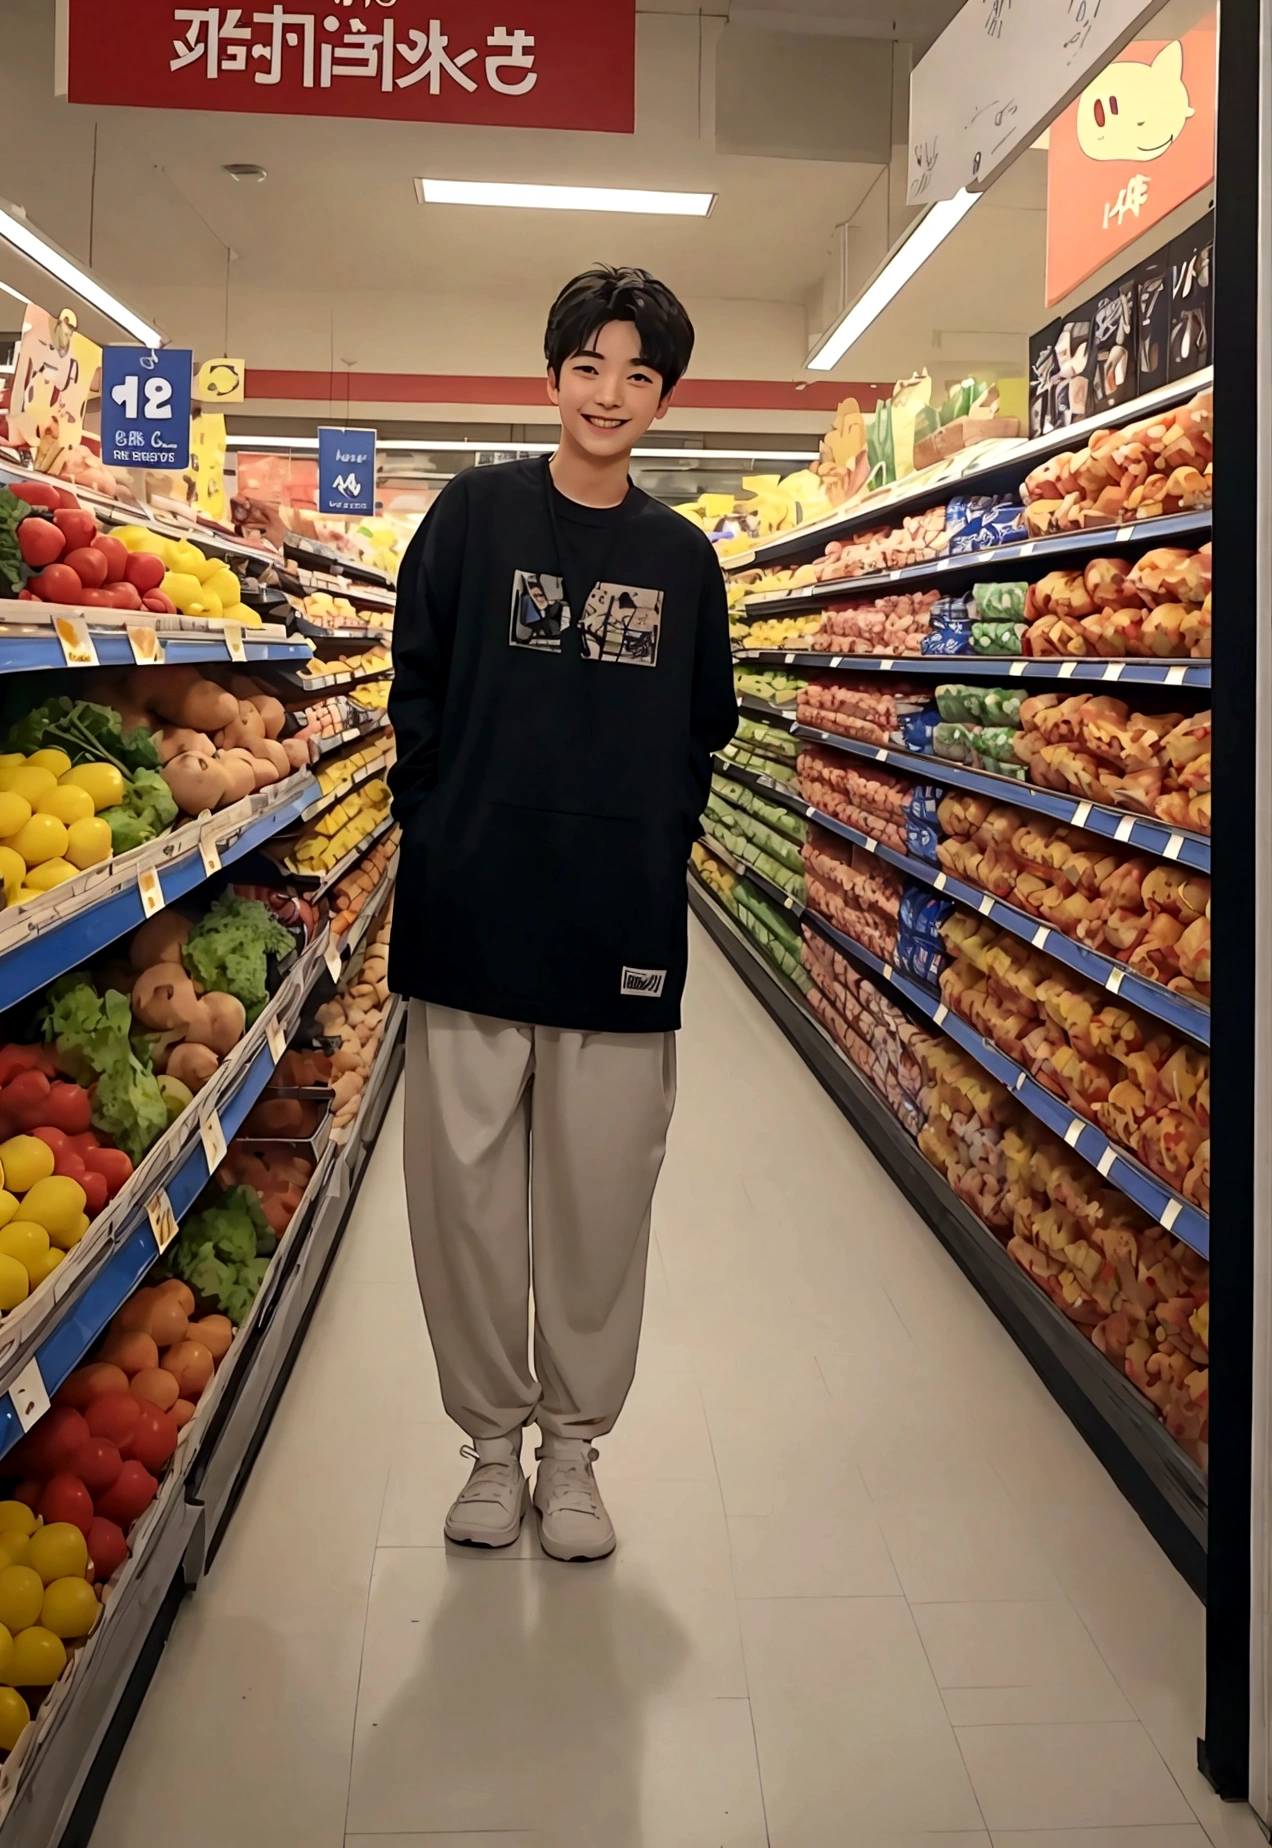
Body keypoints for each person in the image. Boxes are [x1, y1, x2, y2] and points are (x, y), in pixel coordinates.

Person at [387, 264, 737, 1562]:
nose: (611, 392)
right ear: (553, 378)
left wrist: (646, 847)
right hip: (469, 922)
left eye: (639, 373)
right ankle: (489, 1448)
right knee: (463, 1203)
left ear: (662, 399)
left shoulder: (678, 558)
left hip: (617, 937)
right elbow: (410, 682)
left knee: (599, 1210)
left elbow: (705, 730)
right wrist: (444, 821)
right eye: (589, 366)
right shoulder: (473, 522)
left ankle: (574, 1453)